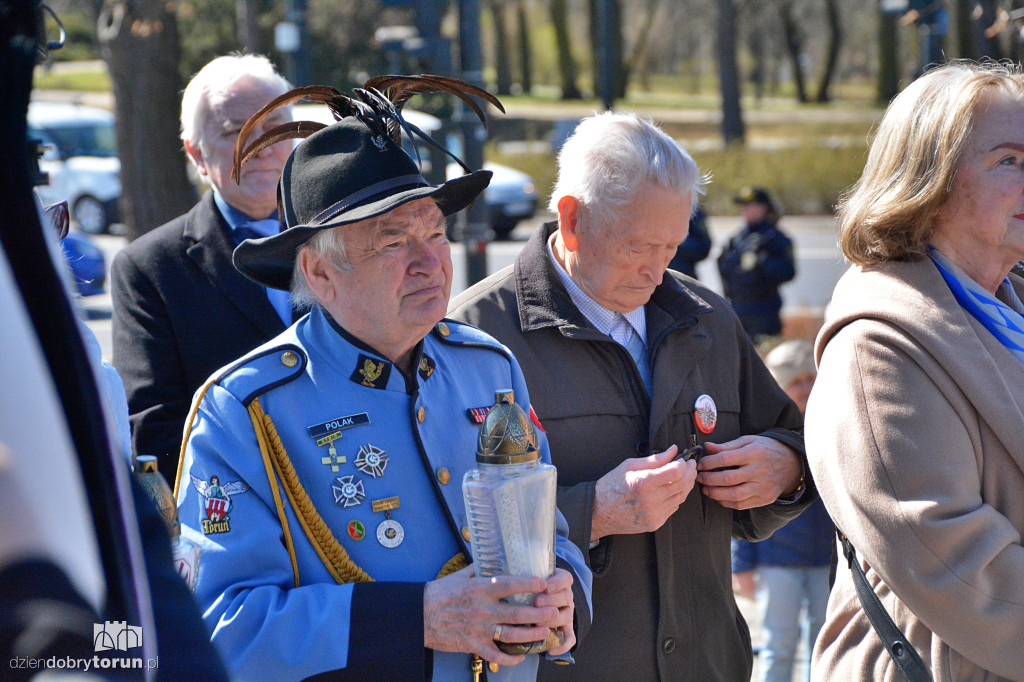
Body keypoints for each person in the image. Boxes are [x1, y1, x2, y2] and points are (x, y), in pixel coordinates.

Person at [175, 76, 591, 680]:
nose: (430, 261)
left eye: (434, 232)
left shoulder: (487, 367)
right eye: (393, 241)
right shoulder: (244, 410)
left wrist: (564, 590)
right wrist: (419, 618)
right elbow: (221, 628)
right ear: (319, 273)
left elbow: (548, 536)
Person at [449, 112, 813, 682]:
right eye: (640, 246)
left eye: (671, 246)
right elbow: (442, 537)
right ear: (571, 220)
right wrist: (590, 513)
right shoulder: (473, 338)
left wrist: (785, 468)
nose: (657, 270)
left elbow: (793, 443)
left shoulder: (707, 319)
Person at [806, 61, 1024, 681]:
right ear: (930, 181)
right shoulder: (877, 347)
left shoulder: (1009, 309)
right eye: (1010, 160)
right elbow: (955, 563)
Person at [112, 54, 295, 478]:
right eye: (236, 130)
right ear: (195, 153)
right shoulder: (149, 269)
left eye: (275, 126)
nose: (261, 145)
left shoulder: (346, 236)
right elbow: (154, 427)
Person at [732, 341, 833, 682]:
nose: (805, 388)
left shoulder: (833, 423)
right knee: (778, 646)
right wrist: (743, 564)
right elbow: (742, 505)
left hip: (828, 561)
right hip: (777, 562)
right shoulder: (763, 431)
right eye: (796, 380)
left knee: (827, 647)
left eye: (810, 378)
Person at [717, 186, 796, 341]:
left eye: (751, 206)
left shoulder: (775, 238)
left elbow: (788, 272)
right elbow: (724, 267)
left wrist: (762, 261)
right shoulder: (736, 239)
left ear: (765, 208)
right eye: (744, 206)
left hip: (764, 312)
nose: (746, 210)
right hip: (737, 310)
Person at [901, 0, 949, 77]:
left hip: (932, 31)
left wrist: (918, 14)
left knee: (932, 63)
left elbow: (936, 5)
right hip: (916, 30)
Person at [667, 203, 711, 279]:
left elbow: (704, 249)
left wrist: (677, 241)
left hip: (683, 278)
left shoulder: (691, 210)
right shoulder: (646, 205)